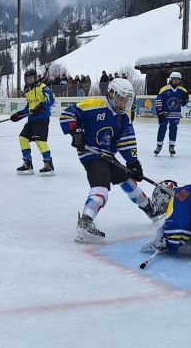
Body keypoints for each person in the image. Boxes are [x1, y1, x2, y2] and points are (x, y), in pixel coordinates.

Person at [59, 78, 158, 242]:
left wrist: (133, 162)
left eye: (127, 100)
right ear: (111, 94)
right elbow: (67, 115)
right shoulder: (93, 105)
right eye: (121, 98)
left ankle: (151, 210)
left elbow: (126, 140)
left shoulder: (123, 117)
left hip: (107, 156)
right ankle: (85, 223)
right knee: (101, 188)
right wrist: (76, 131)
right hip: (90, 154)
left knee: (128, 181)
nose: (124, 103)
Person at [10, 68, 55, 176]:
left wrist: (41, 108)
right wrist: (19, 114)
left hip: (42, 119)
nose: (29, 79)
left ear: (35, 78)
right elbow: (29, 106)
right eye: (27, 78)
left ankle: (49, 165)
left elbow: (51, 99)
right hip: (31, 120)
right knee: (23, 138)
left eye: (31, 77)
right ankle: (27, 164)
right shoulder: (27, 90)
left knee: (40, 141)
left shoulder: (42, 87)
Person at [154, 71, 189, 156]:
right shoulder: (164, 89)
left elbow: (183, 104)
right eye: (175, 79)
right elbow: (158, 101)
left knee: (173, 129)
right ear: (171, 79)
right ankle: (159, 145)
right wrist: (160, 112)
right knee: (162, 128)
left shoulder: (183, 90)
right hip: (164, 113)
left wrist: (185, 99)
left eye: (178, 80)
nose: (176, 81)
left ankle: (172, 146)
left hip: (175, 114)